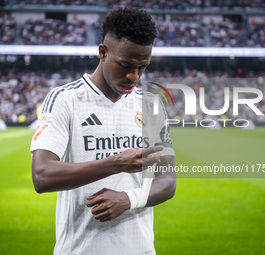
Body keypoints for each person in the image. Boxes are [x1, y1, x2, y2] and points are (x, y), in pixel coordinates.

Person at [30, 7, 176, 255]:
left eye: (142, 67)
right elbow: (42, 176)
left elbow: (168, 181)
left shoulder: (151, 105)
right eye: (126, 65)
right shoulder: (65, 99)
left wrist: (129, 199)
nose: (134, 76)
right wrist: (117, 162)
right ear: (103, 52)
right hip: (80, 250)